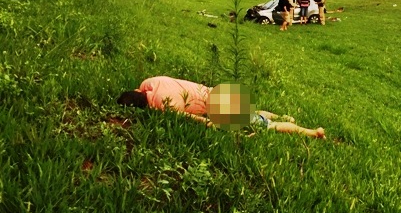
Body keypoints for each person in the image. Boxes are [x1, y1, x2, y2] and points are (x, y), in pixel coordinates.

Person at [117, 77, 325, 138]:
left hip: (221, 106)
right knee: (253, 113)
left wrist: (223, 129)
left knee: (267, 126)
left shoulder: (164, 106)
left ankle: (311, 132)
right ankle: (285, 116)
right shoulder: (149, 82)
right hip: (219, 91)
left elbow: (199, 120)